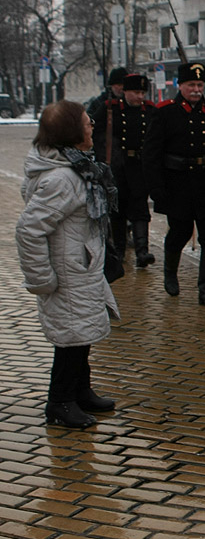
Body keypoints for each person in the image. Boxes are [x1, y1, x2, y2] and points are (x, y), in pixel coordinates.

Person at [16, 100, 120, 429]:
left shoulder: (75, 167)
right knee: (70, 339)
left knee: (81, 332)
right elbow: (29, 231)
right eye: (87, 124)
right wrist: (42, 279)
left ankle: (79, 391)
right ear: (72, 133)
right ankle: (60, 402)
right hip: (67, 272)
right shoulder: (63, 178)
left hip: (80, 265)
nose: (92, 128)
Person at [142, 62, 205, 308]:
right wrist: (156, 187)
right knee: (179, 233)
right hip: (178, 184)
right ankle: (170, 273)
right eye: (191, 85)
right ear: (181, 85)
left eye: (200, 85)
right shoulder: (166, 111)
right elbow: (152, 152)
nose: (196, 90)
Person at [92, 73, 157, 268]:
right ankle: (118, 251)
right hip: (117, 167)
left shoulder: (150, 110)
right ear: (126, 92)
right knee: (118, 209)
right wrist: (103, 156)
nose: (139, 97)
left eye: (142, 92)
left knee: (140, 208)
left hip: (139, 165)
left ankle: (142, 251)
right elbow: (95, 132)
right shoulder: (110, 109)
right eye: (136, 92)